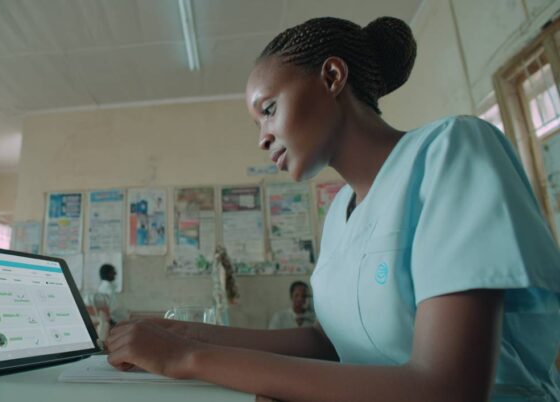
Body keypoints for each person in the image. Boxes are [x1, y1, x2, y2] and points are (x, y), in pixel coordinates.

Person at [104, 16, 560, 401]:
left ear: (332, 77)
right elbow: (328, 343)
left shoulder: (451, 150)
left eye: (268, 109)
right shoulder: (341, 210)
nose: (262, 136)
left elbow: (446, 387)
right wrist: (180, 334)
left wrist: (187, 358)